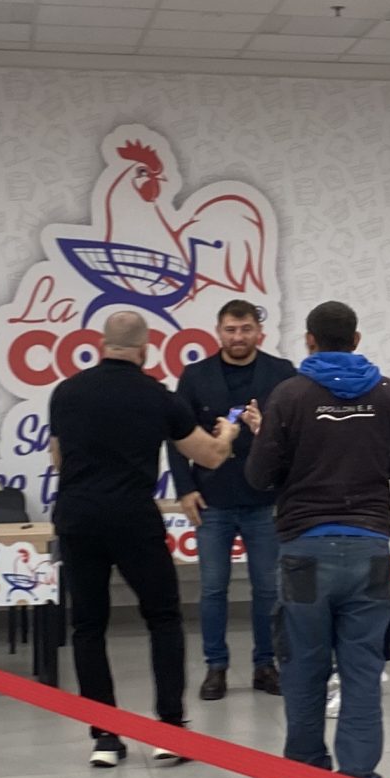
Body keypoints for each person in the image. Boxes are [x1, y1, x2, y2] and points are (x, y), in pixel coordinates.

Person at [245, 300, 390, 778]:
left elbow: (258, 477)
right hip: (368, 550)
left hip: (304, 552)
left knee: (303, 668)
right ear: (356, 338)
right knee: (362, 671)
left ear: (309, 340)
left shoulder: (290, 395)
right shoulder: (388, 393)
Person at [46, 310, 236, 768]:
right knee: (163, 617)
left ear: (101, 345)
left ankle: (105, 738)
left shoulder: (65, 393)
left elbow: (58, 459)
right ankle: (169, 730)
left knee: (88, 626)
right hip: (133, 518)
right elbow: (210, 456)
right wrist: (229, 433)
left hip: (77, 517)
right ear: (145, 350)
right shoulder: (158, 397)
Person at [169, 299, 294, 704]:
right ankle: (216, 666)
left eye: (245, 329)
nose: (238, 337)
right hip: (212, 499)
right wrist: (184, 488)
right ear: (218, 332)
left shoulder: (282, 373)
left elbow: (296, 434)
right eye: (230, 329)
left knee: (268, 589)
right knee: (212, 590)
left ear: (259, 332)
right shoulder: (195, 376)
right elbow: (175, 435)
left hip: (265, 499)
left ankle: (265, 665)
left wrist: (264, 429)